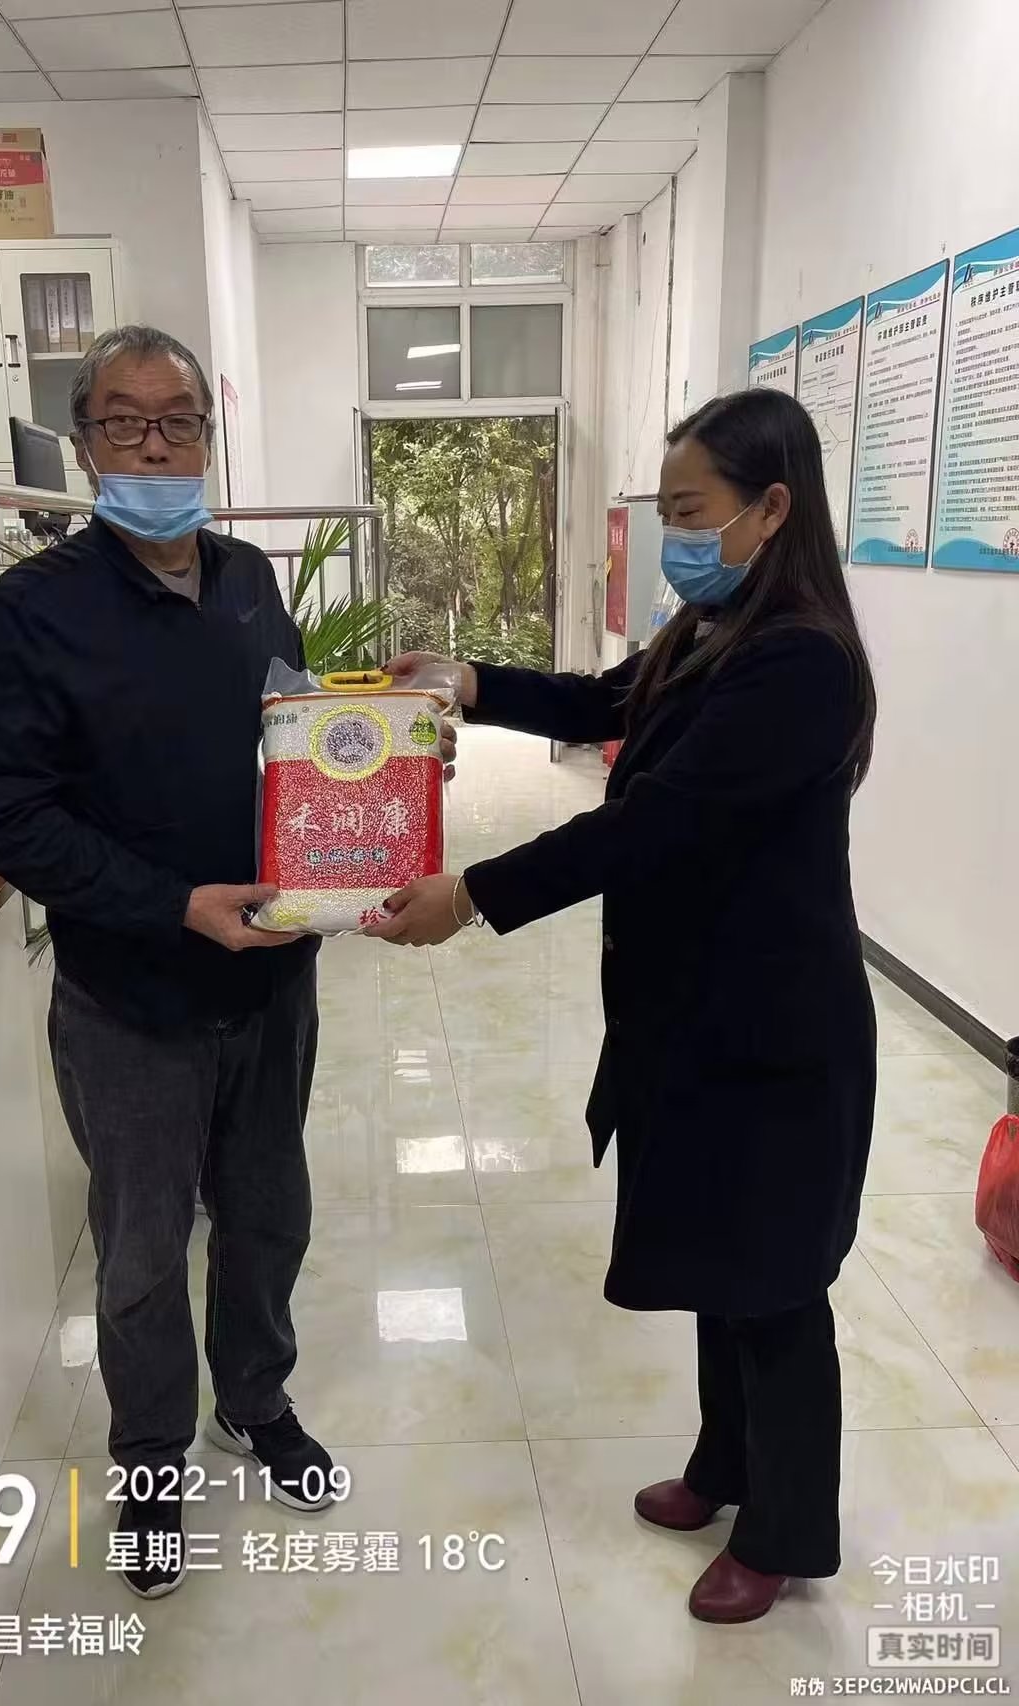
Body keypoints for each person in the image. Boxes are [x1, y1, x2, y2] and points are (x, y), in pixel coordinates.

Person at [367, 388, 879, 1624]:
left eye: (691, 512)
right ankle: (721, 1463)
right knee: (713, 1250)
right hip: (690, 1013)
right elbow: (604, 701)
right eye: (668, 514)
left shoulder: (800, 660)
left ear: (770, 508)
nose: (674, 536)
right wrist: (467, 679)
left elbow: (654, 821)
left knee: (771, 1283)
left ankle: (784, 1528)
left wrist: (472, 892)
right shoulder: (714, 623)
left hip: (772, 1031)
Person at [0, 325, 378, 1600]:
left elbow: (297, 741)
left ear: (208, 433)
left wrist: (384, 778)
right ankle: (149, 1461)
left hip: (270, 980)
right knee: (141, 1250)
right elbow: (9, 816)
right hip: (130, 996)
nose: (155, 445)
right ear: (84, 441)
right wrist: (170, 905)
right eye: (124, 421)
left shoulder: (249, 578)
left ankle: (252, 1400)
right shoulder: (37, 607)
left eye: (179, 420)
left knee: (266, 1214)